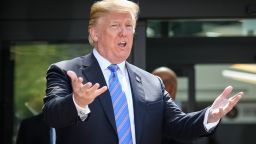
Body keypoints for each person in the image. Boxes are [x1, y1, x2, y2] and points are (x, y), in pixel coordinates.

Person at [43, 0, 243, 144]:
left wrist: (210, 115)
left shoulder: (152, 83)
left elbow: (178, 126)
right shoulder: (65, 72)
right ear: (95, 33)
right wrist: (77, 102)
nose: (124, 32)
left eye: (129, 26)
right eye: (115, 26)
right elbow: (52, 116)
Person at [152, 67, 192, 144]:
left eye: (168, 83)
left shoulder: (183, 124)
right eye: (159, 82)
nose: (168, 87)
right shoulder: (140, 118)